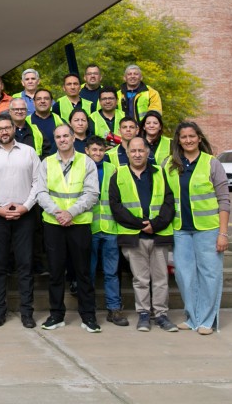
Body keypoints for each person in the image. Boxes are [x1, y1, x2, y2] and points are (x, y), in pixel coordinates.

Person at [164, 121, 231, 335]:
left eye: (192, 136)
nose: (188, 140)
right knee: (184, 275)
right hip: (180, 229)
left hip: (208, 229)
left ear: (199, 138)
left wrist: (223, 233)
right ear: (178, 141)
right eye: (183, 137)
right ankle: (192, 317)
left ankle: (207, 320)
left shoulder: (212, 163)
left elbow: (224, 200)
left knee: (209, 274)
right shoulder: (170, 164)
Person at [34, 124, 101, 333]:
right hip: (54, 224)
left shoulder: (86, 162)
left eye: (65, 136)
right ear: (55, 140)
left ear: (73, 138)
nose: (62, 140)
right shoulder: (46, 163)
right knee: (55, 272)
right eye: (58, 137)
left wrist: (70, 213)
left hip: (78, 223)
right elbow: (41, 192)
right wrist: (58, 213)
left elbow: (92, 193)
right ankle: (56, 315)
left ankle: (88, 316)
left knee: (82, 272)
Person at [108, 136, 177, 332]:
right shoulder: (118, 174)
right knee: (140, 279)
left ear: (148, 152)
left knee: (161, 278)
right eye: (133, 151)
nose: (137, 154)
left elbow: (169, 203)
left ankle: (161, 315)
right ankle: (144, 314)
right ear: (127, 153)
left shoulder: (159, 173)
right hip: (134, 236)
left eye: (141, 150)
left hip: (158, 234)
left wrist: (155, 225)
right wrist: (140, 224)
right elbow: (116, 206)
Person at [0, 114, 40, 329]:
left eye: (7, 128)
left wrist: (25, 207)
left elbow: (38, 183)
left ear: (14, 128)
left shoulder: (29, 152)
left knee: (25, 265)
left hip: (25, 215)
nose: (4, 131)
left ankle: (27, 312)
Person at [85, 136, 128, 328]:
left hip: (110, 228)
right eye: (94, 150)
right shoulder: (82, 167)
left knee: (111, 272)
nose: (97, 153)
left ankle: (114, 309)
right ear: (87, 150)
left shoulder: (112, 169)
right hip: (89, 227)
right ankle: (89, 309)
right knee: (89, 271)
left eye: (101, 150)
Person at [29, 88, 64, 154]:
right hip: (35, 161)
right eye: (39, 99)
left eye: (46, 98)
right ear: (34, 102)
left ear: (51, 102)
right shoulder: (26, 121)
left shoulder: (60, 121)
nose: (42, 101)